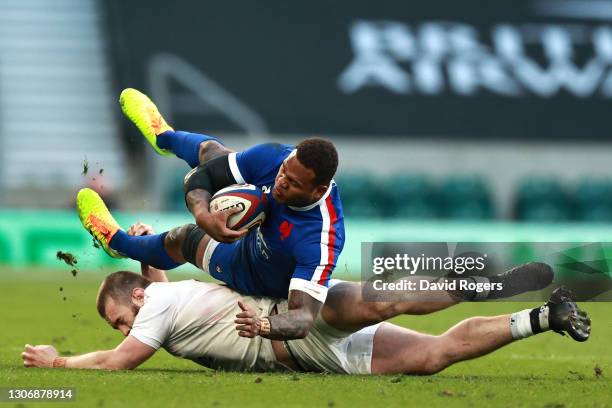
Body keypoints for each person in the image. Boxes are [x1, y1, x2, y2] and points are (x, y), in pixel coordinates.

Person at [23, 224, 590, 373]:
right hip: (318, 354)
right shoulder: (168, 304)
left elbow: (123, 359)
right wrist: (147, 254)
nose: (125, 332)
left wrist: (60, 364)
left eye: (122, 319)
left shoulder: (159, 311)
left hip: (291, 322)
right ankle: (543, 314)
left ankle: (494, 279)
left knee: (381, 300)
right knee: (432, 354)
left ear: (140, 297)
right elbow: (167, 296)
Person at [77, 88, 344, 340]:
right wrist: (204, 215)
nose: (281, 181)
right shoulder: (274, 158)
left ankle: (116, 243)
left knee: (184, 238)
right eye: (284, 170)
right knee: (213, 155)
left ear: (318, 190)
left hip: (253, 273)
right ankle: (164, 137)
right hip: (248, 235)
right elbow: (201, 176)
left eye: (294, 183)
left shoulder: (321, 238)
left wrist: (263, 324)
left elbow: (303, 317)